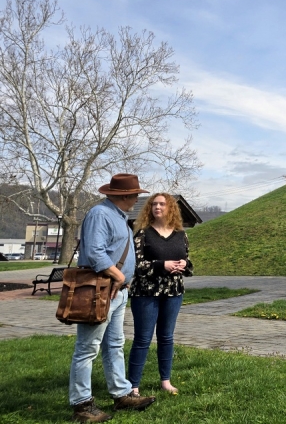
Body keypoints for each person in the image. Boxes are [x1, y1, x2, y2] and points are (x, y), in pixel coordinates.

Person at [69, 173, 156, 423]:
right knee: (88, 348)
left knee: (114, 344)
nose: (137, 198)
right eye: (136, 194)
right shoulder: (100, 214)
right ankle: (82, 404)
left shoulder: (118, 216)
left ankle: (121, 394)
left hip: (117, 290)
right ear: (126, 196)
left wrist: (122, 281)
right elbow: (95, 252)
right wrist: (118, 275)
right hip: (102, 289)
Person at [128, 193, 193, 397]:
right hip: (146, 293)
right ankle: (133, 386)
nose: (157, 207)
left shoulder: (181, 234)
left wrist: (185, 265)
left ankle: (165, 380)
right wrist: (161, 265)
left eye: (162, 204)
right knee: (142, 339)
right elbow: (137, 265)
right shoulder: (142, 234)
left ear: (170, 208)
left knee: (166, 337)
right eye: (154, 204)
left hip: (173, 292)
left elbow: (189, 263)